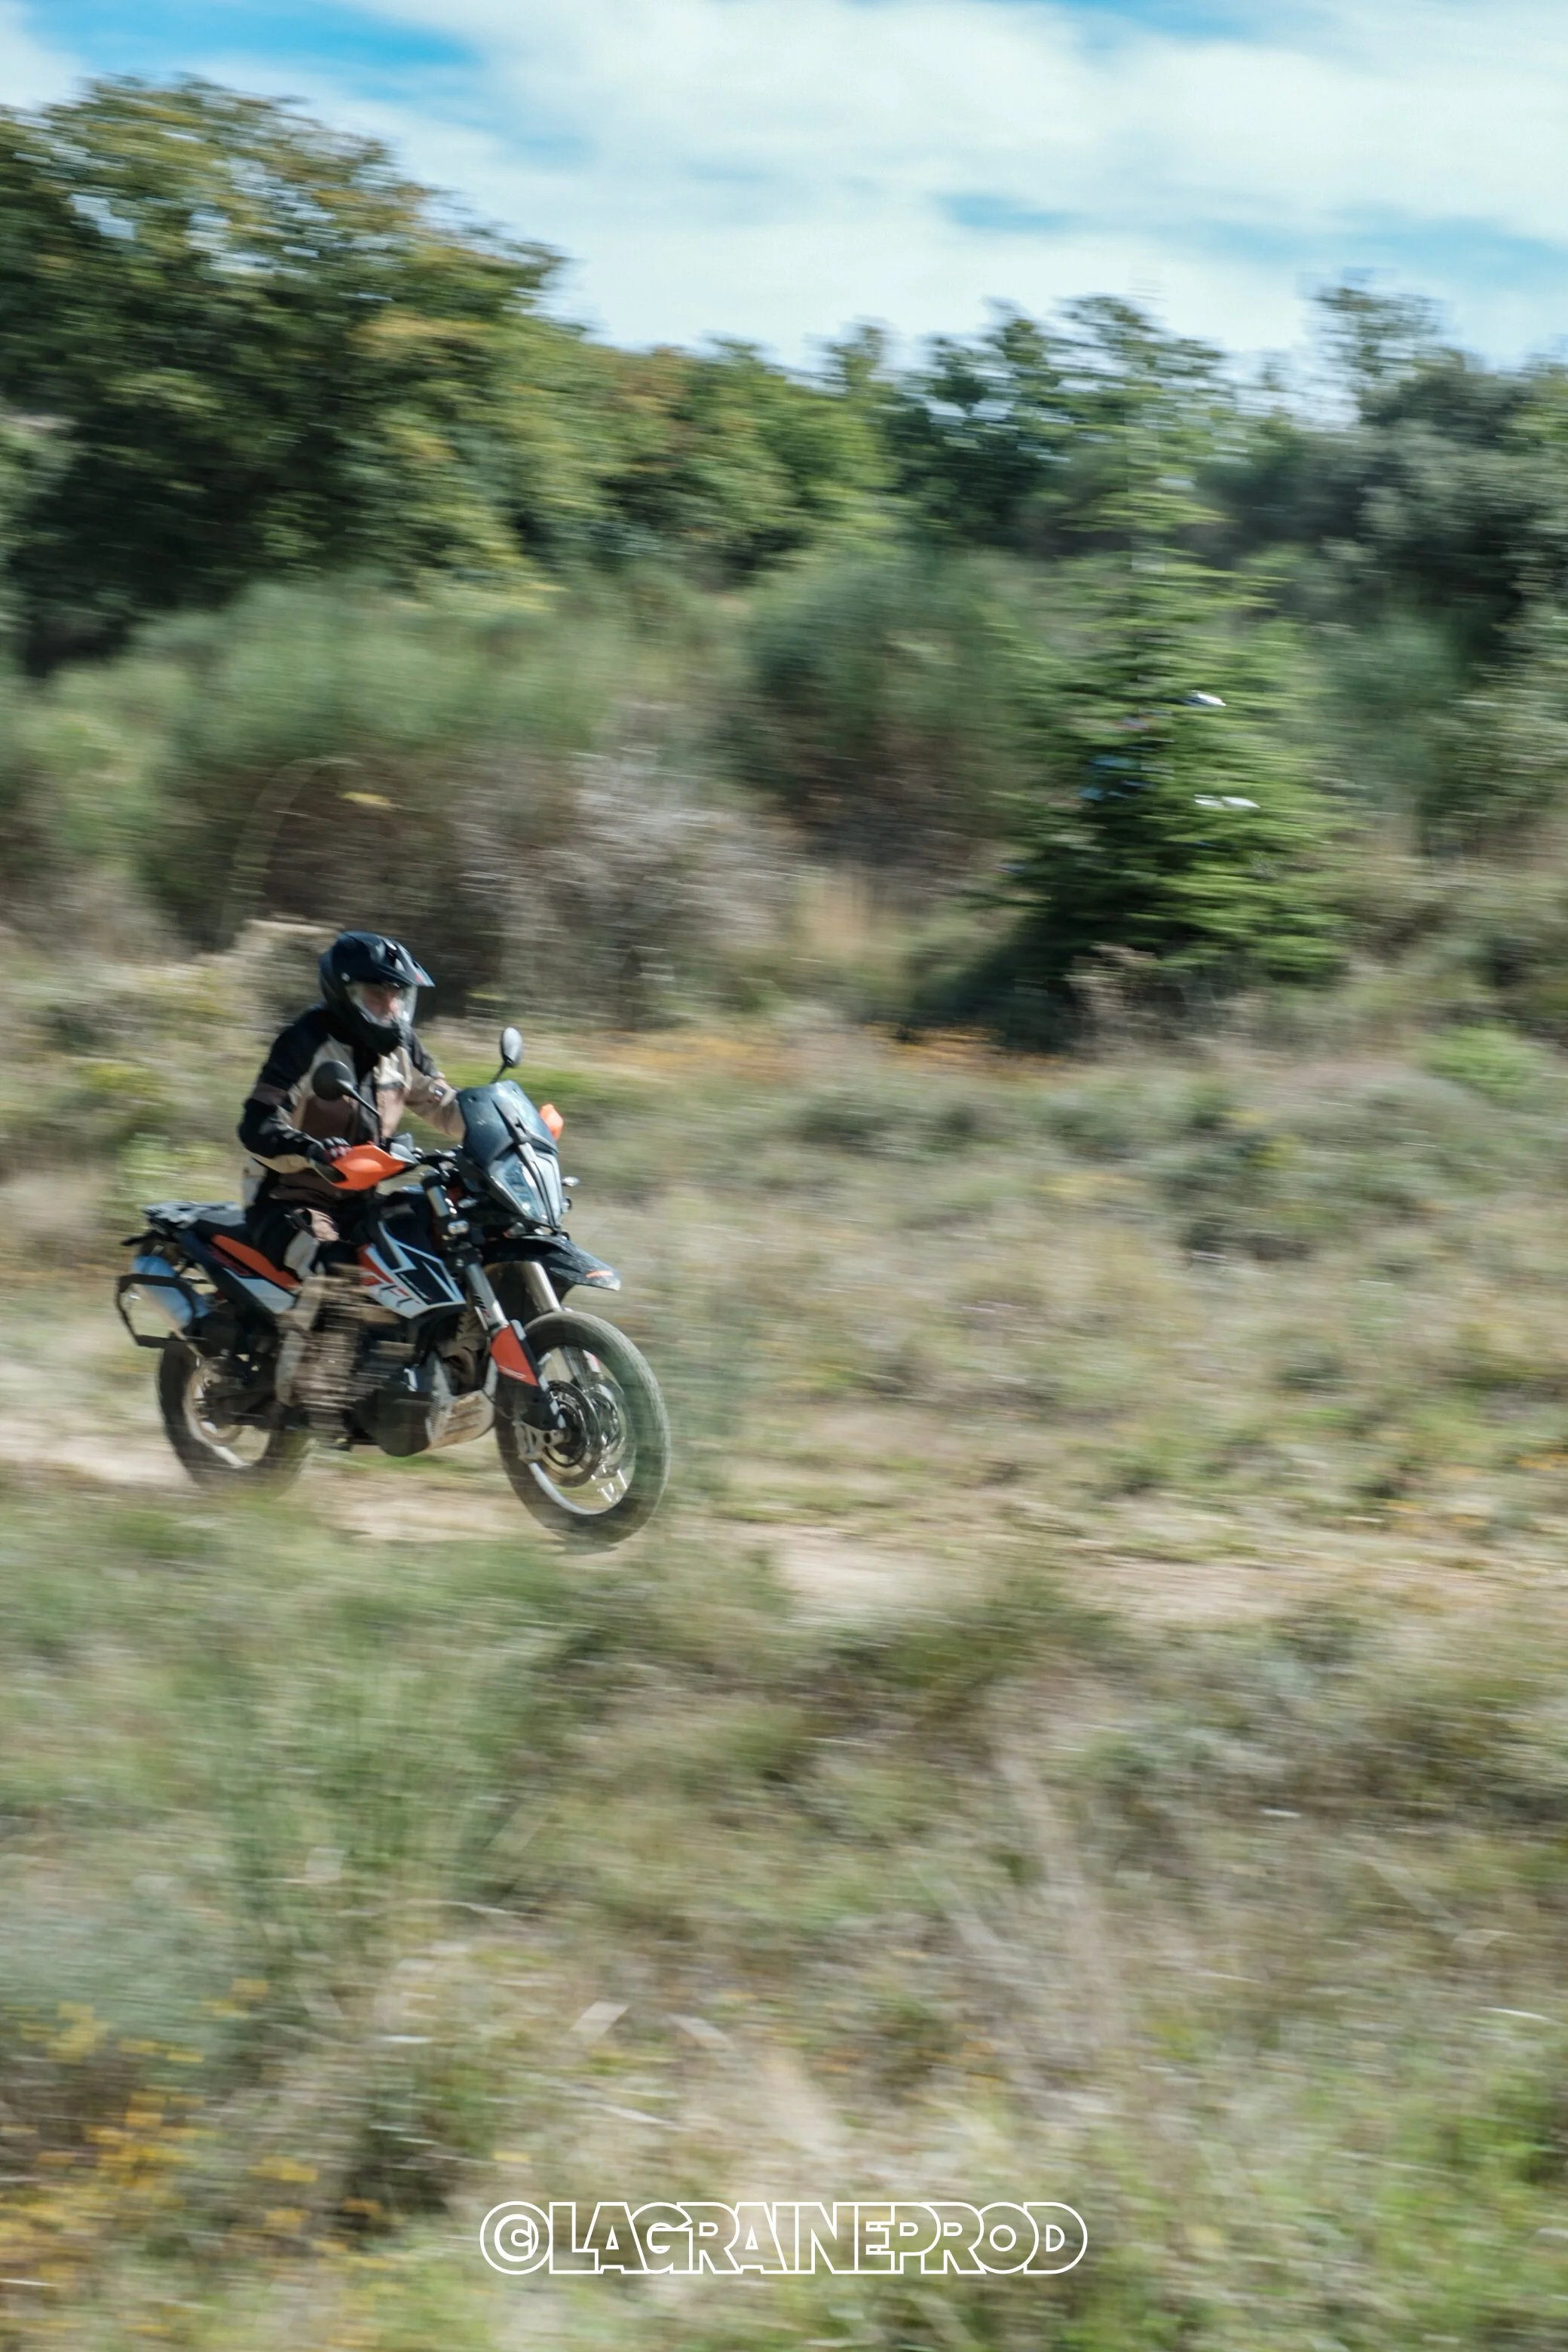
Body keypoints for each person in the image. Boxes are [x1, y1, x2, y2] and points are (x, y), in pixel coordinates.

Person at [238, 932, 465, 1283]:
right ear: (345, 995)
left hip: (360, 1203)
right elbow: (258, 1125)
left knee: (439, 1240)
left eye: (398, 996)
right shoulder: (304, 1043)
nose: (391, 1008)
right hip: (287, 1201)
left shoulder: (402, 1046)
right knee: (340, 1275)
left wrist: (500, 1126)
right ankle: (307, 1339)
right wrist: (313, 1151)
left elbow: (443, 1103)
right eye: (377, 995)